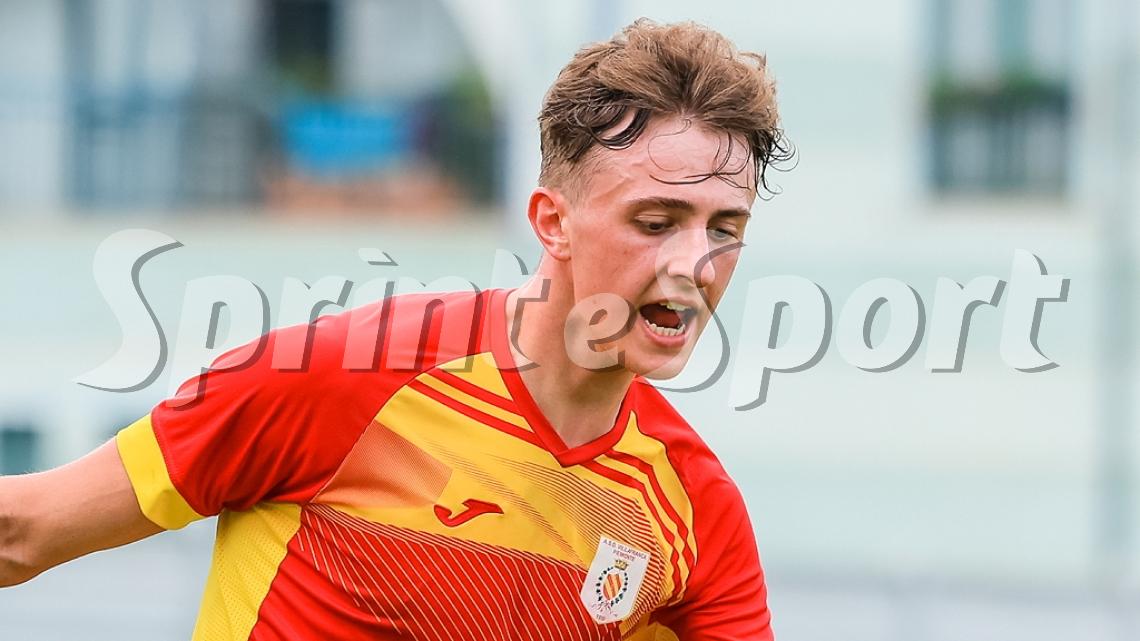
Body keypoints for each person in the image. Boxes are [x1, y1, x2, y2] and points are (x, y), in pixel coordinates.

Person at [0, 18, 789, 640]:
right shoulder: (333, 379)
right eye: (656, 221)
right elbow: (23, 530)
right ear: (553, 222)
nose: (697, 263)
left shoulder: (696, 511)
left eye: (725, 227)